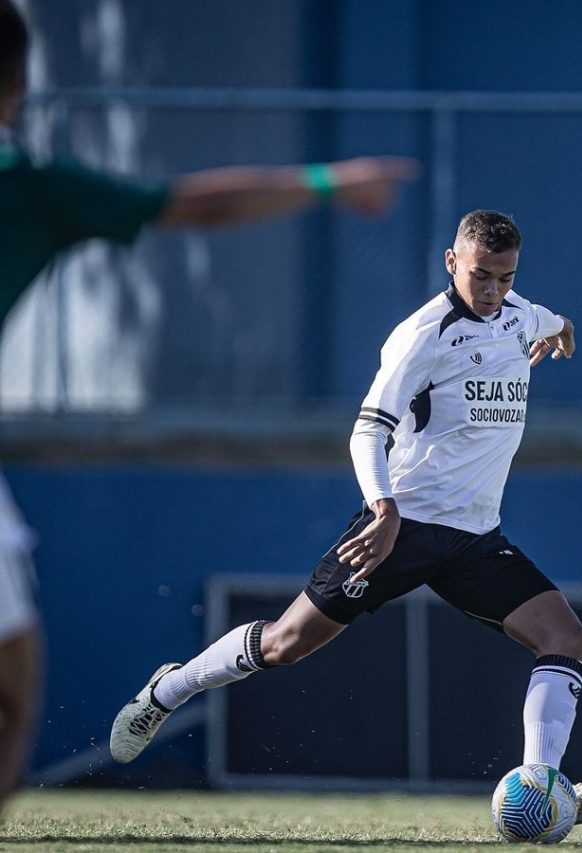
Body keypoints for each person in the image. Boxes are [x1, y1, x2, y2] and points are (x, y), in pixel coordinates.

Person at [0, 0, 417, 812]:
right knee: (13, 690)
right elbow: (193, 204)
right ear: (16, 85)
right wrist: (327, 181)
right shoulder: (32, 188)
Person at [111, 209, 582, 824]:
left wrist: (563, 329)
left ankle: (540, 783)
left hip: (477, 539)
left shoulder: (518, 315)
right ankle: (170, 689)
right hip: (401, 528)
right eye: (481, 275)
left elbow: (549, 319)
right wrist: (383, 513)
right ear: (451, 261)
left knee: (567, 639)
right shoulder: (422, 336)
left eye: (506, 278)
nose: (491, 291)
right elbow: (366, 431)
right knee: (286, 643)